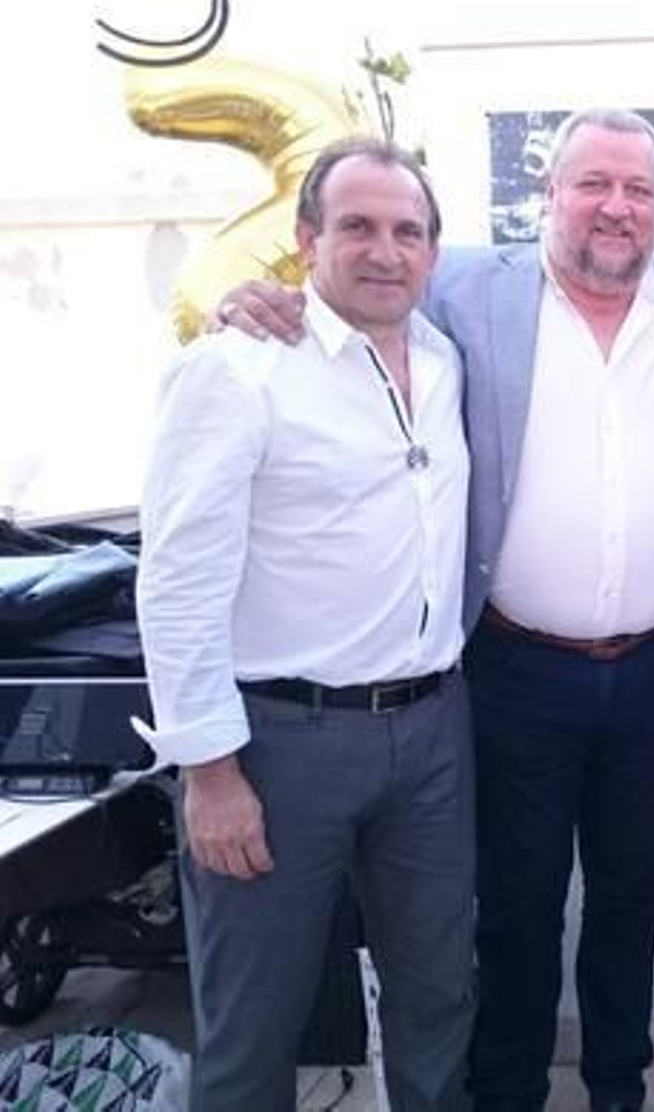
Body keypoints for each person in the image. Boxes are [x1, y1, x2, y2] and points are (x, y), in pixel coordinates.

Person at [211, 107, 654, 1112]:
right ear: (546, 193)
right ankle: (509, 1095)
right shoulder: (467, 287)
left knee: (632, 897)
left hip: (647, 668)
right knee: (515, 909)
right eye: (593, 183)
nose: (616, 206)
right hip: (512, 671)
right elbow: (360, 270)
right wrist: (254, 296)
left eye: (638, 190)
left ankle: (615, 1092)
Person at [137, 138, 475, 1111]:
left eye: (407, 231)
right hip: (280, 747)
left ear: (433, 252)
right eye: (357, 227)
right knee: (255, 1023)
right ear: (305, 240)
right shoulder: (239, 369)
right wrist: (208, 773)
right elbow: (178, 578)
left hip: (432, 735)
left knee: (436, 999)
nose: (384, 251)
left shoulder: (446, 359)